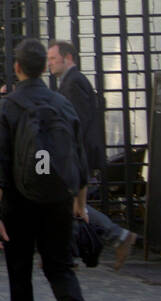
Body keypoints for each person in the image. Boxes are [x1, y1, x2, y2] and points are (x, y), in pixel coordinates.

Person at [0, 38, 101, 301]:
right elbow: (79, 161)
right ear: (42, 67)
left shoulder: (5, 108)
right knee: (60, 267)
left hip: (18, 203)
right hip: (58, 201)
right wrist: (80, 205)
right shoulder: (62, 104)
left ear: (17, 67)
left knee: (19, 275)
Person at [47, 39, 140, 269]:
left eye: (52, 58)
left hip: (79, 153)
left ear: (68, 58)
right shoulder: (72, 81)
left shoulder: (73, 83)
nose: (49, 64)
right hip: (80, 153)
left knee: (69, 200)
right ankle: (69, 252)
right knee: (68, 201)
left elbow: (76, 121)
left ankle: (116, 236)